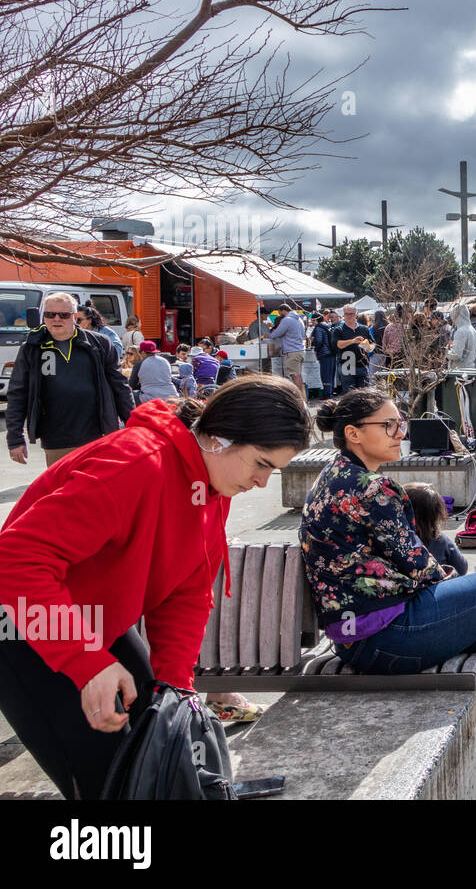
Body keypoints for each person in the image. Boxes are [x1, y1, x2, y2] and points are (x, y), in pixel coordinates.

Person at [0, 376, 312, 799]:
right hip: (22, 625)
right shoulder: (135, 464)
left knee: (158, 741)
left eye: (273, 471)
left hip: (97, 619)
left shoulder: (212, 481)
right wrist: (85, 662)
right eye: (261, 463)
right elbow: (14, 560)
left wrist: (178, 684)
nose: (262, 483)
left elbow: (186, 590)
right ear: (219, 438)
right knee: (105, 780)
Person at [301, 389, 476, 795]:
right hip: (389, 633)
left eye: (399, 423)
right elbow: (421, 568)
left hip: (361, 636)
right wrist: (461, 587)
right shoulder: (372, 489)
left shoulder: (332, 476)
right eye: (387, 425)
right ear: (352, 433)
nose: (399, 432)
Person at [6, 293, 134, 467]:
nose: (56, 319)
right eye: (50, 314)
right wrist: (15, 439)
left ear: (75, 317)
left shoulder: (100, 344)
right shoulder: (31, 349)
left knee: (96, 492)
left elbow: (120, 387)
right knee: (62, 492)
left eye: (63, 315)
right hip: (55, 438)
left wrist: (133, 425)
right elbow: (18, 394)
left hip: (98, 435)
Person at [404, 483, 469, 576]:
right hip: (436, 588)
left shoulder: (391, 540)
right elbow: (462, 568)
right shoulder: (440, 540)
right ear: (437, 514)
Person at [331, 305, 373, 393]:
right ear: (343, 315)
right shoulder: (338, 329)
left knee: (364, 394)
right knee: (349, 394)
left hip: (362, 364)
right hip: (347, 364)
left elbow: (372, 343)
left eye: (351, 314)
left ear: (356, 315)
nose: (349, 316)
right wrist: (353, 341)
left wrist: (369, 348)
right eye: (347, 314)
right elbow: (338, 344)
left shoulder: (364, 329)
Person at [269, 306, 306, 398]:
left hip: (292, 351)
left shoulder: (287, 320)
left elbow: (277, 333)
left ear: (283, 311)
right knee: (298, 375)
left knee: (295, 376)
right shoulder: (299, 319)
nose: (279, 315)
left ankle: (298, 398)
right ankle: (302, 397)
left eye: (279, 313)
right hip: (300, 350)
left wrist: (269, 335)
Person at [311, 312, 337, 398]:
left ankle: (327, 394)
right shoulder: (327, 326)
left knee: (325, 375)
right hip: (332, 353)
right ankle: (330, 392)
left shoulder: (318, 328)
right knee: (330, 375)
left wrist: (313, 345)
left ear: (316, 320)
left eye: (312, 320)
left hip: (325, 353)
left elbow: (318, 341)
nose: (312, 323)